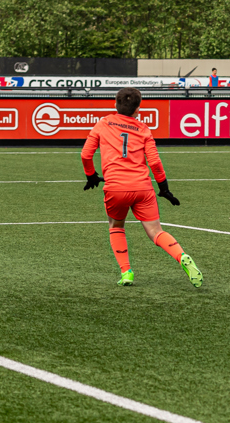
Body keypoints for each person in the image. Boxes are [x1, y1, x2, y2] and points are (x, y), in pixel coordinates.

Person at [81, 87, 204, 288]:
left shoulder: (103, 124)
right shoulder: (144, 129)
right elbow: (154, 162)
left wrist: (91, 175)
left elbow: (86, 154)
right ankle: (182, 256)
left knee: (116, 226)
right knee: (155, 231)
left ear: (115, 104)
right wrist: (164, 188)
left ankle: (126, 272)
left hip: (116, 188)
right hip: (143, 188)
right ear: (138, 109)